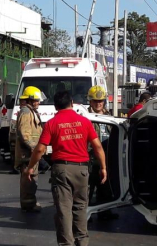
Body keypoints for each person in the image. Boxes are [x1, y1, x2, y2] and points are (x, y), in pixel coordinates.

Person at [24, 90, 107, 246]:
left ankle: (66, 244)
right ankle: (82, 241)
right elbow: (98, 147)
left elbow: (40, 149)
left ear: (56, 106)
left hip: (61, 169)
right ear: (72, 104)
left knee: (64, 210)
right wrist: (103, 167)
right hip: (82, 170)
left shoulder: (52, 123)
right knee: (81, 208)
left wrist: (30, 167)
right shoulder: (84, 121)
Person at [86, 86, 118, 221]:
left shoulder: (108, 116)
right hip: (90, 158)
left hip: (106, 158)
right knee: (87, 189)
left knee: (105, 188)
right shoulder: (85, 117)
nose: (99, 103)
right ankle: (84, 215)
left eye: (101, 101)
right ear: (90, 102)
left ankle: (104, 212)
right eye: (95, 101)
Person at [15, 86, 44, 212]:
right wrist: (34, 147)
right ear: (30, 99)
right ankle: (28, 204)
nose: (38, 102)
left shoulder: (31, 111)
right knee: (28, 178)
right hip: (27, 153)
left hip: (31, 152)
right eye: (36, 100)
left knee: (32, 177)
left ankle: (30, 202)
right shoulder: (26, 112)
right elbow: (24, 133)